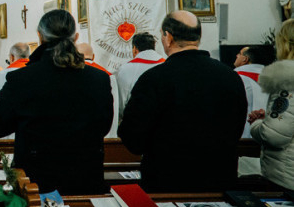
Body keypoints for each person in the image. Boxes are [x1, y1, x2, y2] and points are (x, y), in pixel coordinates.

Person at [119, 11, 247, 192]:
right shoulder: (231, 77)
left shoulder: (154, 79)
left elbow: (132, 138)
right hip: (219, 182)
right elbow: (237, 128)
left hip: (167, 184)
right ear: (198, 37)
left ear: (168, 38)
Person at [0, 11, 113, 194]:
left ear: (40, 36)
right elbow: (104, 126)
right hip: (86, 181)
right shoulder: (99, 79)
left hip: (37, 185)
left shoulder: (22, 79)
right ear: (75, 37)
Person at [249, 18, 294, 192]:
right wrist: (270, 117)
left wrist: (257, 124)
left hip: (287, 175)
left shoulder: (287, 81)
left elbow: (275, 136)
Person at [0, 42, 30, 139]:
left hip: (5, 134)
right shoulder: (35, 73)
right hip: (28, 133)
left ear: (12, 57)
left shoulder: (1, 76)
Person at [114, 32, 165, 121]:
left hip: (137, 120)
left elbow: (121, 102)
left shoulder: (126, 69)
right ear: (153, 47)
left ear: (134, 49)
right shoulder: (167, 64)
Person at [234, 45, 271, 137]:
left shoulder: (235, 79)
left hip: (241, 135)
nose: (236, 55)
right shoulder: (274, 79)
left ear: (245, 59)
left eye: (239, 54)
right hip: (269, 134)